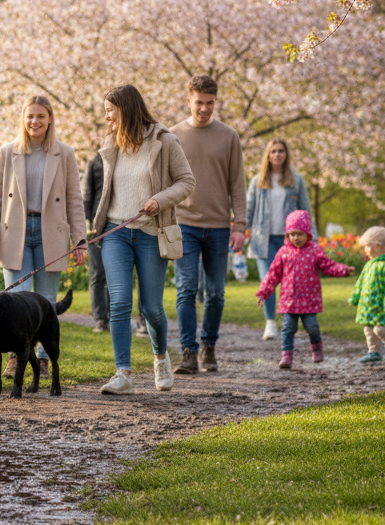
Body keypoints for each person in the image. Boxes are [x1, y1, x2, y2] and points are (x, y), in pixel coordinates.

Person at [94, 85, 195, 395]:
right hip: (116, 232)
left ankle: (160, 357)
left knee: (151, 308)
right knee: (120, 302)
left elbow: (187, 182)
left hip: (151, 233)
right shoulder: (111, 143)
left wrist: (159, 200)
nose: (106, 116)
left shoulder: (165, 141)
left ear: (126, 109)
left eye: (110, 110)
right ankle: (122, 373)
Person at [0, 95, 86, 377]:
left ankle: (41, 358)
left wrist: (80, 240)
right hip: (15, 231)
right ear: (23, 119)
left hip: (51, 231)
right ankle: (17, 356)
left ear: (50, 119)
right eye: (30, 116)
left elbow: (74, 199)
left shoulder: (65, 153)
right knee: (14, 299)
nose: (34, 121)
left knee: (46, 299)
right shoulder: (7, 152)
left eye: (40, 116)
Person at [171, 75, 247, 375]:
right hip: (184, 223)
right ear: (188, 100)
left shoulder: (229, 136)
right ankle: (188, 352)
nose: (204, 108)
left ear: (216, 102)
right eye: (199, 102)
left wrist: (239, 225)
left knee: (215, 293)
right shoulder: (173, 135)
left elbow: (237, 184)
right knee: (186, 288)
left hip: (218, 225)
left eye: (210, 103)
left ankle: (209, 346)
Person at [256, 210, 353, 368]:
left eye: (300, 234)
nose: (296, 238)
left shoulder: (314, 250)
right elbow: (273, 274)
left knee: (312, 327)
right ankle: (286, 356)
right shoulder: (283, 252)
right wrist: (264, 291)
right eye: (292, 234)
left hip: (309, 300)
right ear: (287, 235)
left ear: (307, 234)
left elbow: (328, 265)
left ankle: (317, 348)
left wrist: (343, 270)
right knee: (288, 328)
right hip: (289, 301)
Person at [245, 139, 315, 340]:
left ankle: (288, 322)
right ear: (268, 155)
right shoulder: (257, 181)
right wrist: (239, 230)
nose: (277, 154)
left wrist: (313, 237)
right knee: (267, 280)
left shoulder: (296, 180)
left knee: (290, 283)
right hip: (263, 240)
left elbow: (305, 209)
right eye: (273, 151)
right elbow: (249, 209)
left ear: (286, 154)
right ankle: (270, 323)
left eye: (281, 151)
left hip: (289, 241)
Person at [349, 226, 385, 363]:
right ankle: (374, 351)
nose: (365, 249)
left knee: (379, 329)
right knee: (368, 329)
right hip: (369, 307)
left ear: (378, 246)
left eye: (367, 246)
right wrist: (355, 297)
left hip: (382, 308)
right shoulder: (369, 265)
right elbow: (360, 283)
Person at [82, 148, 109, 332]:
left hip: (121, 224)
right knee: (98, 273)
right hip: (96, 227)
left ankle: (115, 315)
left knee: (117, 275)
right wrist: (88, 227)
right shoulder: (96, 161)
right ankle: (100, 318)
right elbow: (87, 196)